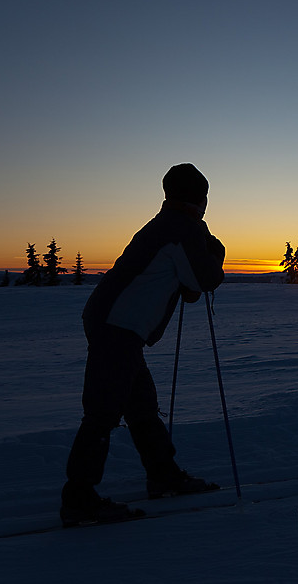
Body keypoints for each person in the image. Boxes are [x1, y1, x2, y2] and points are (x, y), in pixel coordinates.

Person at [60, 163, 226, 527]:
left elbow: (190, 288)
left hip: (114, 322)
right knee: (103, 411)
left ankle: (163, 474)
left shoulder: (164, 224)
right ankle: (79, 498)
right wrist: (217, 253)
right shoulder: (184, 228)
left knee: (140, 406)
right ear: (201, 198)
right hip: (117, 325)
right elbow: (204, 280)